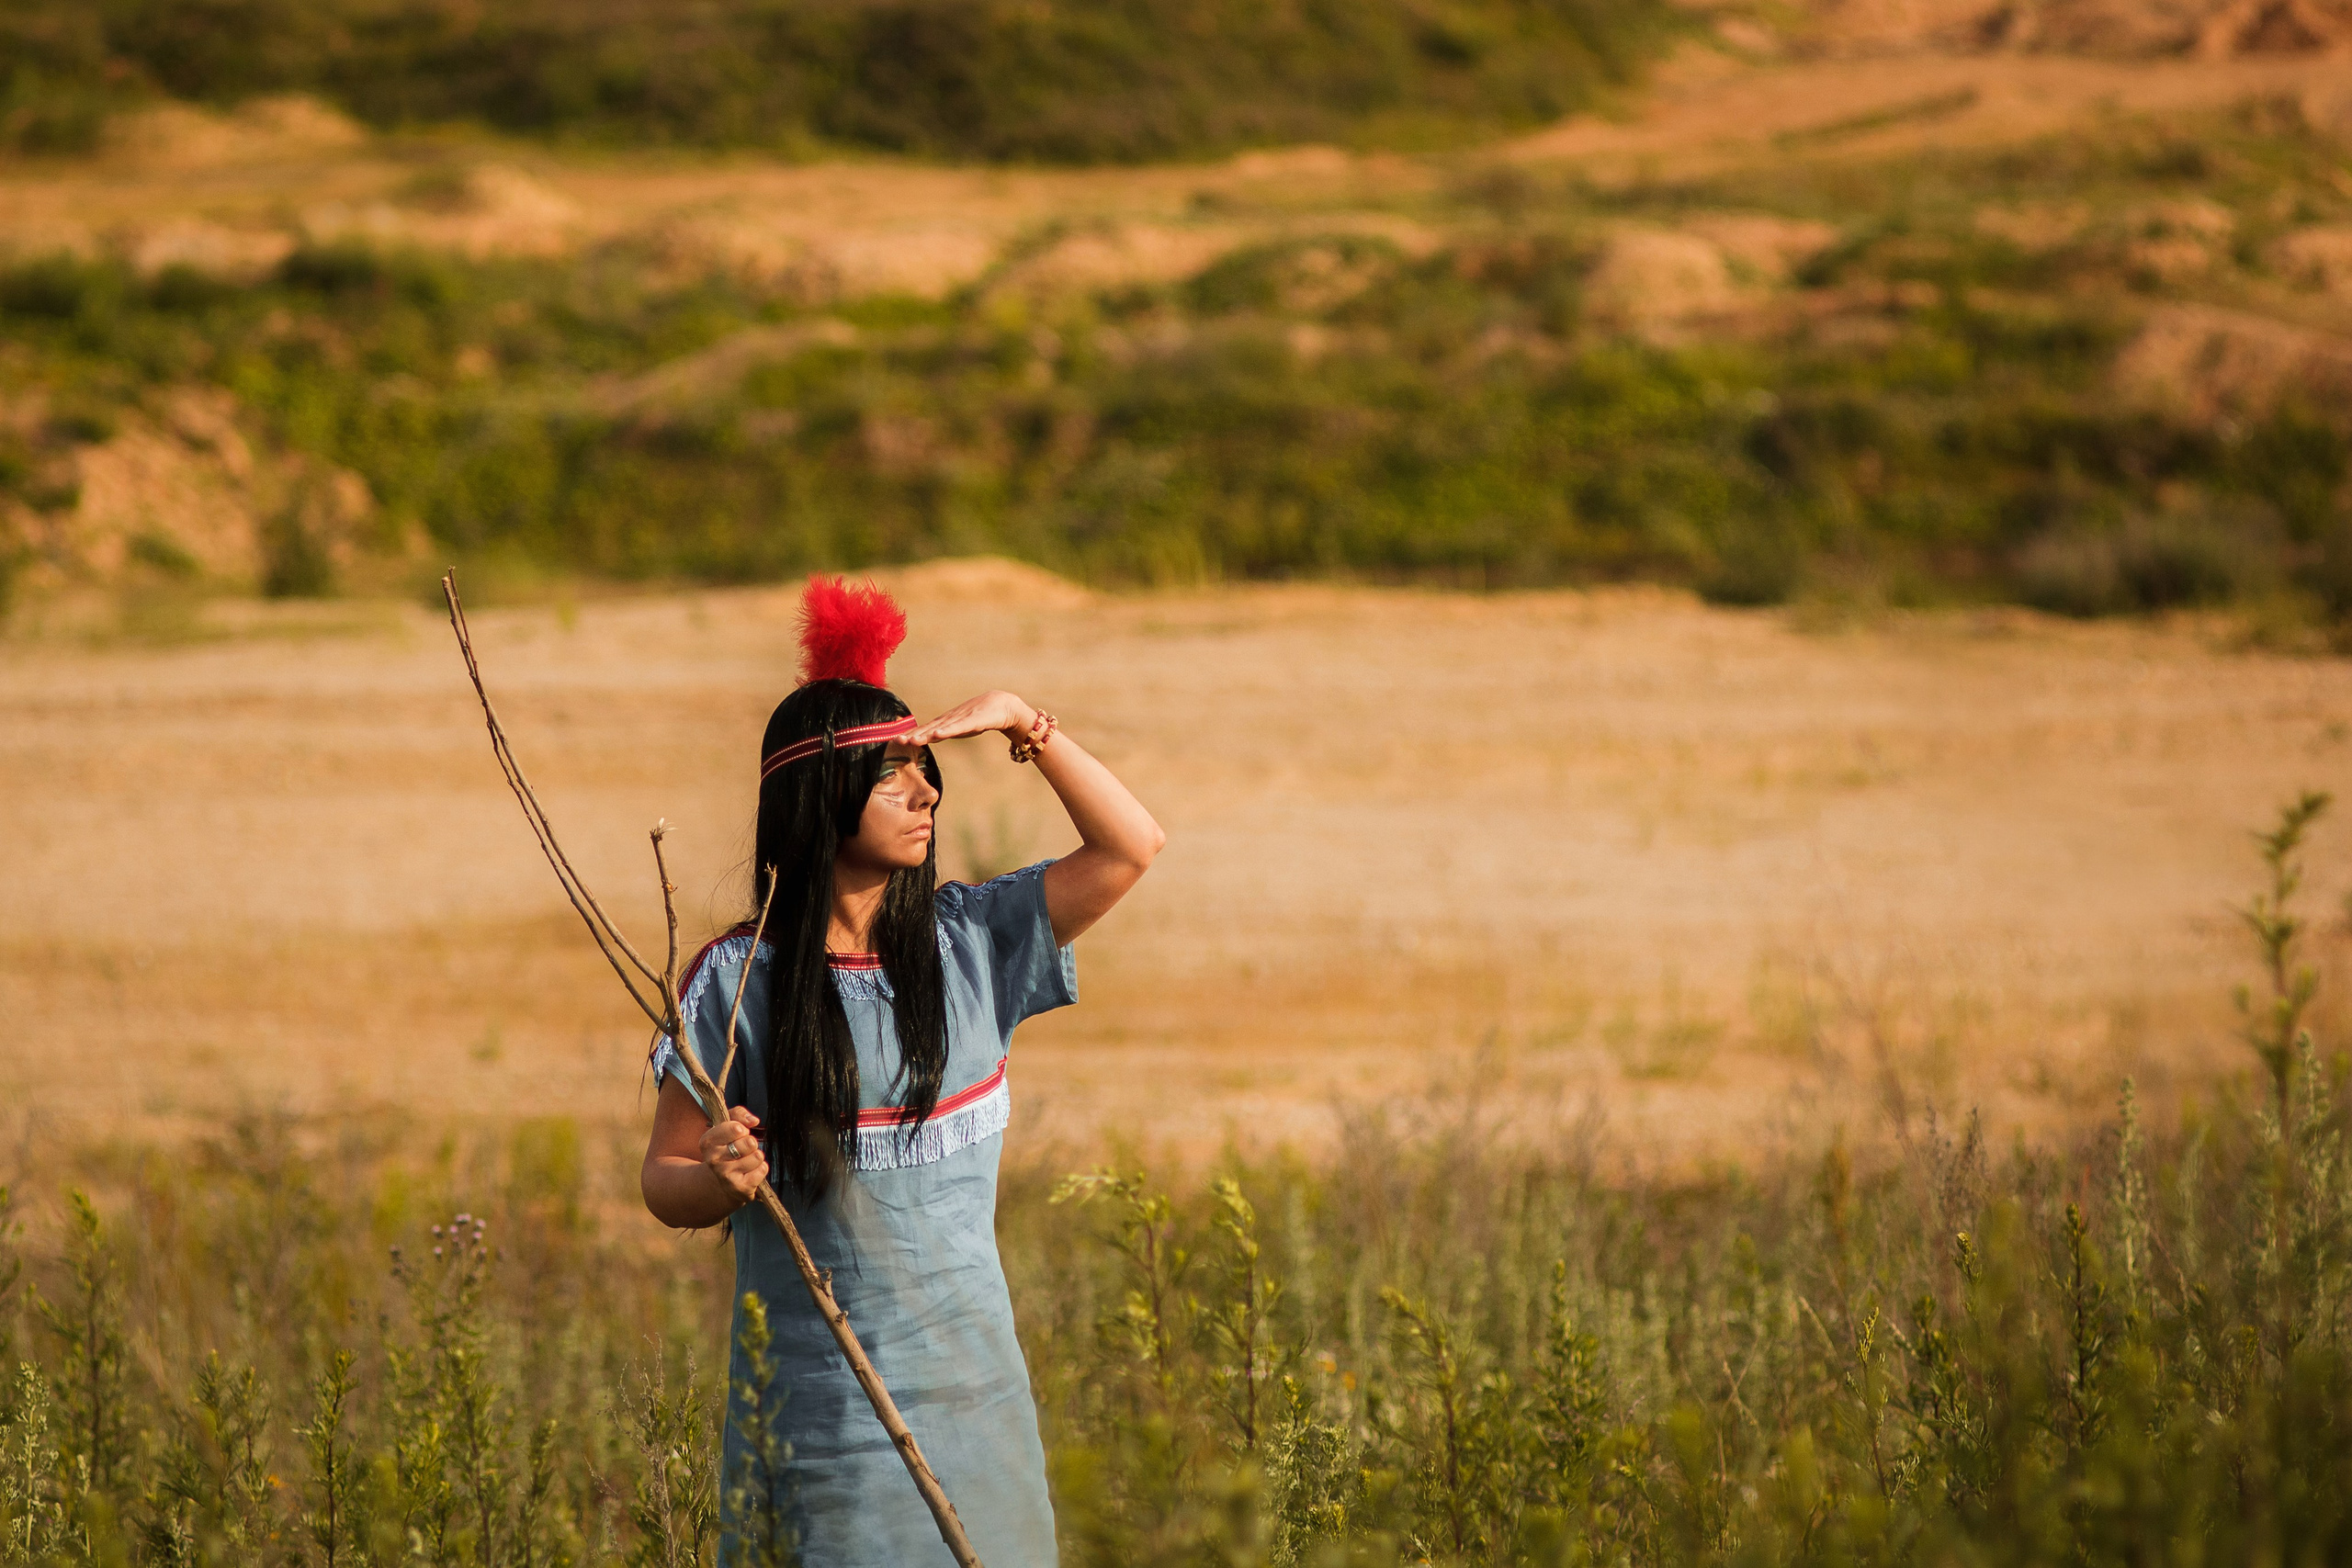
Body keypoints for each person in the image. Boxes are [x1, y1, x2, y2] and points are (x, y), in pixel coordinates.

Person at [640, 576, 1163, 1566]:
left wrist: (1025, 724)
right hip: (821, 1422)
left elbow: (1131, 845)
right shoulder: (735, 980)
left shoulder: (972, 942)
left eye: (928, 771)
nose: (927, 793)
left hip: (980, 1411)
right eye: (894, 776)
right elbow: (663, 1181)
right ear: (819, 794)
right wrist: (716, 1175)